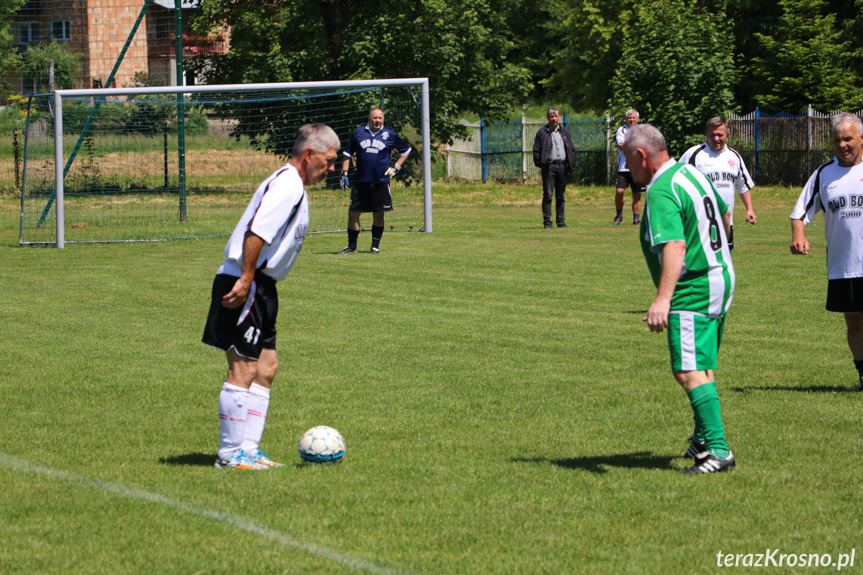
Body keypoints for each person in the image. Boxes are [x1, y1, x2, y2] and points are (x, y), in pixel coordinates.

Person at [203, 124, 340, 470]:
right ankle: (230, 454)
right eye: (329, 160)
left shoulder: (293, 184)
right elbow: (257, 231)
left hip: (263, 285)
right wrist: (247, 278)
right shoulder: (288, 184)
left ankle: (248, 449)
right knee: (243, 367)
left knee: (266, 368)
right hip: (246, 280)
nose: (332, 168)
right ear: (309, 155)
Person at [623, 123, 737, 474]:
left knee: (687, 370)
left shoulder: (659, 191)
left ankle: (718, 451)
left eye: (629, 160)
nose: (628, 169)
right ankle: (703, 439)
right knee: (703, 365)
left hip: (695, 285)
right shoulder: (692, 173)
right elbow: (725, 213)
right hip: (720, 275)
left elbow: (675, 245)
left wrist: (662, 299)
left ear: (642, 155)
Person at [790, 112, 863, 392]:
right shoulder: (824, 174)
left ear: (861, 138)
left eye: (848, 139)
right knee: (854, 323)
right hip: (843, 265)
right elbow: (799, 214)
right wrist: (799, 236)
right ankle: (862, 375)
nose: (842, 145)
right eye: (837, 141)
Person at [338, 108, 411, 254]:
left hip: (381, 181)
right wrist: (344, 173)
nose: (378, 121)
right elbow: (347, 154)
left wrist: (396, 167)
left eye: (380, 118)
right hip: (361, 181)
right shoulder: (358, 133)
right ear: (369, 118)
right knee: (353, 213)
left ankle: (375, 247)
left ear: (383, 119)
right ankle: (352, 247)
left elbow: (406, 150)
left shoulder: (390, 134)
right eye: (375, 118)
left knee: (378, 214)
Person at [679, 117, 757, 250]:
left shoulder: (734, 156)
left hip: (726, 222)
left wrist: (750, 209)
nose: (716, 139)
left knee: (724, 261)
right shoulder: (694, 154)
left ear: (727, 135)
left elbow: (743, 185)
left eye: (720, 135)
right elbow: (677, 182)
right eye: (712, 135)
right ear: (706, 135)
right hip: (700, 221)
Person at [532, 107, 575, 229]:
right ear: (548, 118)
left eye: (556, 116)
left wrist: (570, 163)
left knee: (561, 196)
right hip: (549, 167)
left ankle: (560, 221)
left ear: (559, 117)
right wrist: (541, 164)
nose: (554, 118)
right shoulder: (542, 132)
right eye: (551, 116)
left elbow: (571, 148)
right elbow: (536, 150)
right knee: (548, 195)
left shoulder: (565, 132)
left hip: (562, 167)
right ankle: (547, 222)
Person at [612, 109, 647, 226]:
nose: (631, 120)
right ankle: (619, 214)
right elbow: (622, 146)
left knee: (637, 194)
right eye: (629, 118)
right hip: (623, 168)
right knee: (619, 191)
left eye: (633, 118)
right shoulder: (621, 130)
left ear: (637, 119)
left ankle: (636, 219)